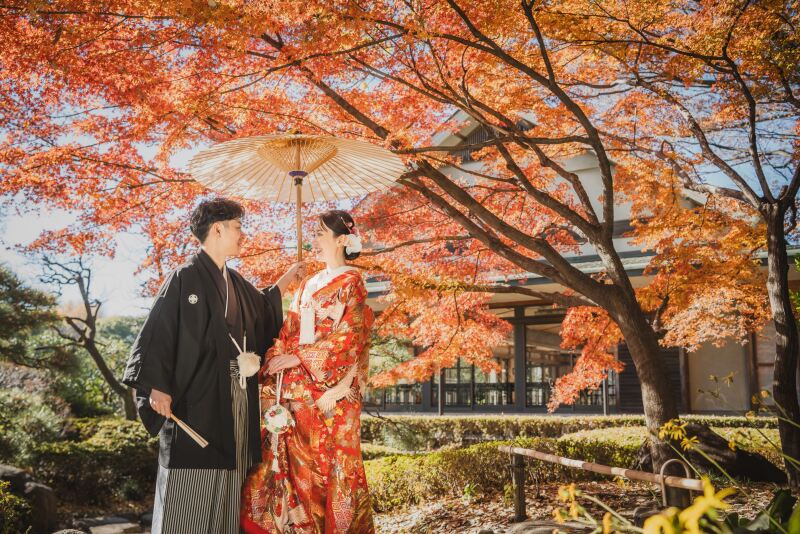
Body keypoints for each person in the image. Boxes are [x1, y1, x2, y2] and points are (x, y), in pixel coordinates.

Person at [122, 198, 304, 534]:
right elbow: (159, 332)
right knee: (190, 483)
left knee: (228, 480)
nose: (241, 235)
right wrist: (156, 387)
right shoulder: (185, 278)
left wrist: (288, 279)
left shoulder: (234, 282)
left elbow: (264, 309)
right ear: (217, 228)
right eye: (237, 227)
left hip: (235, 398)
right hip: (195, 401)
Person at [241, 209, 375, 534]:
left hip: (332, 393)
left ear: (342, 239)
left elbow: (350, 336)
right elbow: (289, 332)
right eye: (313, 232)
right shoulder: (307, 285)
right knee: (295, 467)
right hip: (297, 393)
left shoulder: (352, 280)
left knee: (333, 468)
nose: (313, 239)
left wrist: (298, 357)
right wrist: (277, 357)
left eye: (320, 233)